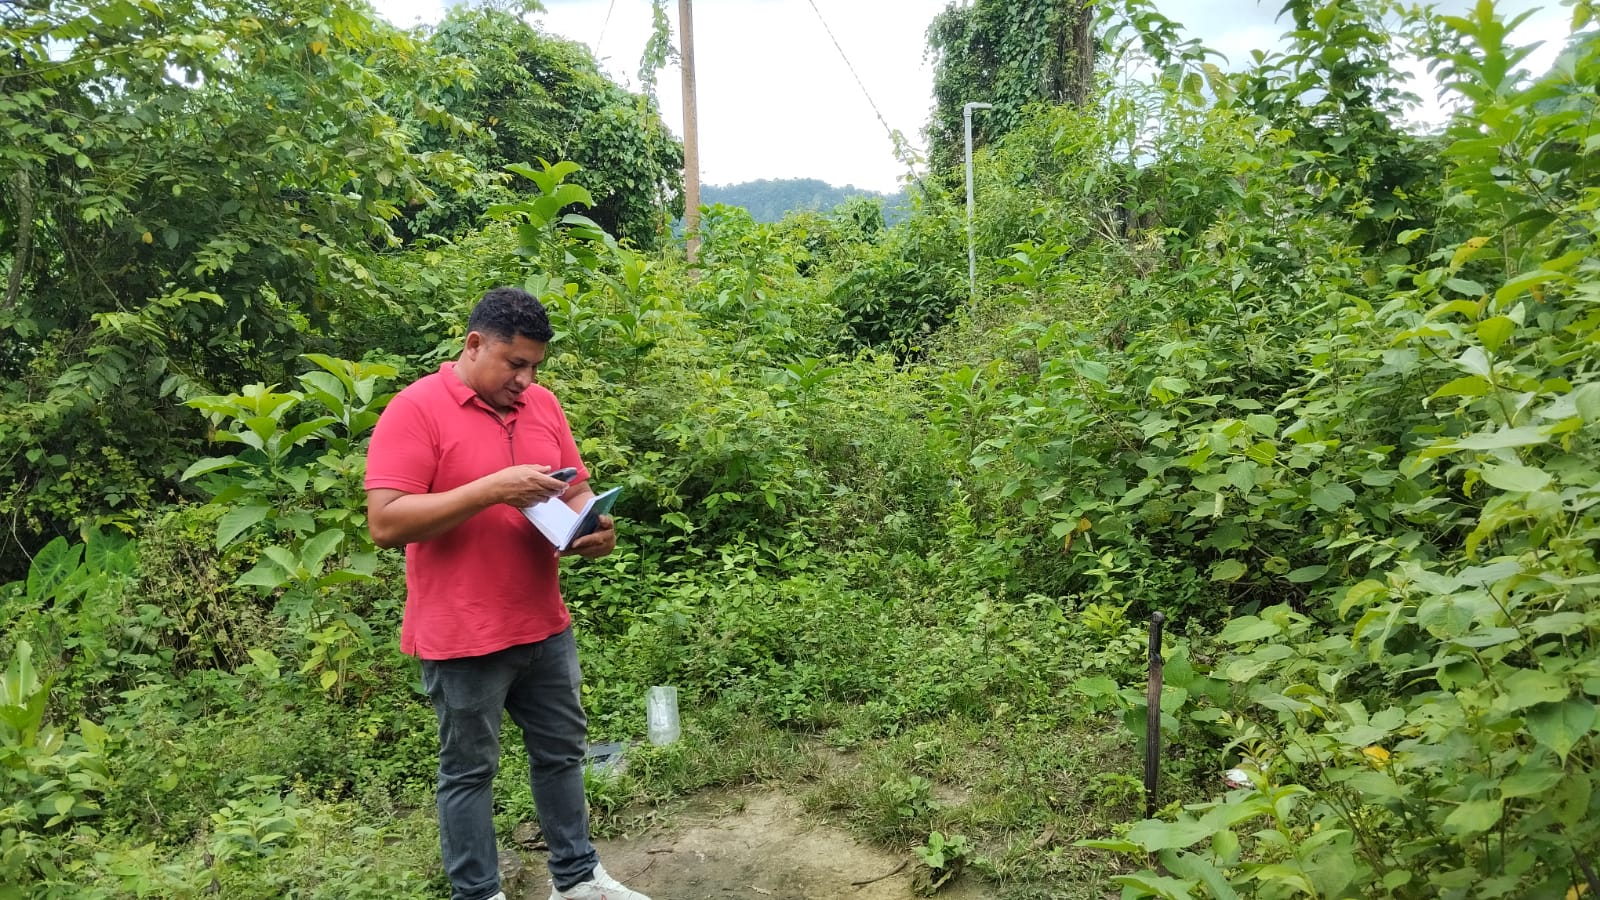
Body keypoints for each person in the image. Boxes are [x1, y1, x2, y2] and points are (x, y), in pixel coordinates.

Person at [364, 286, 650, 900]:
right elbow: (385, 523)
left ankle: (576, 880)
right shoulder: (415, 410)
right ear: (474, 344)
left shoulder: (541, 405)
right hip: (462, 633)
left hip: (543, 623)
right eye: (515, 364)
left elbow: (573, 489)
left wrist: (593, 529)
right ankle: (478, 893)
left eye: (535, 367)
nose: (526, 380)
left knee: (562, 752)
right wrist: (491, 490)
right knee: (469, 771)